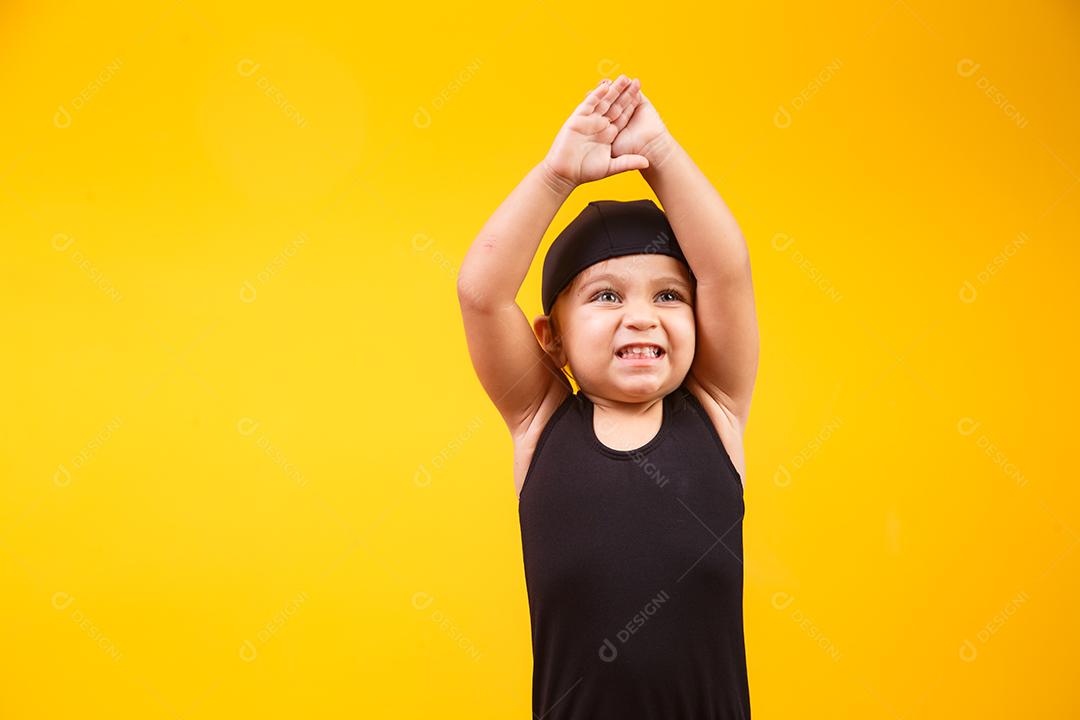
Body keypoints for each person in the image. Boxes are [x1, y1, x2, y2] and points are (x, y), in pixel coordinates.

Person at [457, 74, 759, 720]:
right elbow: (481, 294)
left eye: (669, 296)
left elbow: (727, 269)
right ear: (553, 339)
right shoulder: (540, 421)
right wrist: (554, 176)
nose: (643, 317)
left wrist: (663, 155)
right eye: (607, 296)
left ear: (700, 320)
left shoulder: (716, 408)